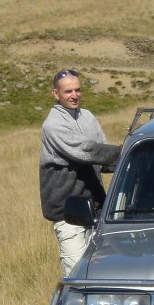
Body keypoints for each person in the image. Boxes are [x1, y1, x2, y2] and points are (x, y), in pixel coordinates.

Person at [39, 69, 121, 276]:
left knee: (101, 273)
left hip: (96, 210)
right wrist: (128, 152)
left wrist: (136, 163)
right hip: (69, 214)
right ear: (55, 94)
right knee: (77, 275)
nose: (74, 95)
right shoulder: (53, 125)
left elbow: (103, 162)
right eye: (68, 91)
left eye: (77, 90)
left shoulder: (88, 116)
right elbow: (88, 152)